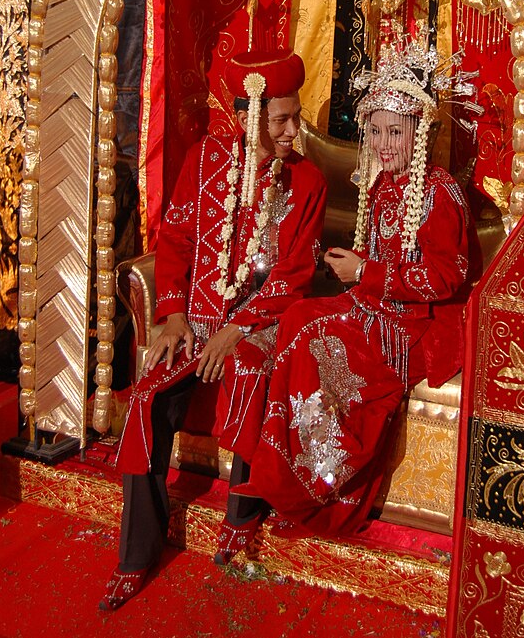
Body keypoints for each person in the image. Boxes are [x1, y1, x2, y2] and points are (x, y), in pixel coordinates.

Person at [99, 47, 327, 611]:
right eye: (281, 119)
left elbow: (297, 273)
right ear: (250, 117)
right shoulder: (204, 162)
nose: (294, 130)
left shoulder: (307, 181)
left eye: (295, 117)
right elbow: (173, 241)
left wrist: (239, 327)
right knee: (149, 396)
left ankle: (242, 516)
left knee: (251, 365)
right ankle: (135, 557)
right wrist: (173, 313)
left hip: (262, 322)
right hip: (195, 318)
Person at [231, 31, 483, 538]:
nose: (384, 145)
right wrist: (353, 266)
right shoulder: (385, 188)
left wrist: (365, 273)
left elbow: (445, 276)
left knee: (310, 333)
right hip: (377, 308)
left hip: (413, 330)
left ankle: (325, 485)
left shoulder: (441, 193)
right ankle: (283, 474)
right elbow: (385, 264)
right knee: (298, 317)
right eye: (377, 133)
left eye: (396, 132)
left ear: (419, 133)